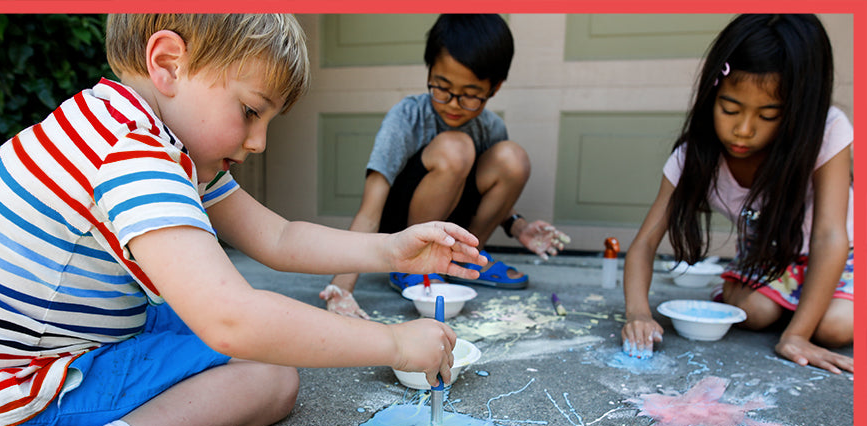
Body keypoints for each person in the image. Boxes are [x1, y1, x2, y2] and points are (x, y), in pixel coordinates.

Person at [0, 14, 486, 426]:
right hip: (15, 390)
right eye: (251, 111)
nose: (258, 141)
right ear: (168, 63)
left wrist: (393, 251)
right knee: (269, 374)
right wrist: (395, 341)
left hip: (19, 348)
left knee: (251, 322)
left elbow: (277, 237)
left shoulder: (124, 125)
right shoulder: (134, 152)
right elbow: (230, 319)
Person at [621, 14, 853, 374]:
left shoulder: (827, 130)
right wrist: (638, 314)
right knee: (753, 313)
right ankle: (791, 304)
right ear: (711, 95)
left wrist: (797, 335)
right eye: (730, 109)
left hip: (842, 255)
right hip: (771, 257)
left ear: (797, 112)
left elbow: (830, 235)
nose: (743, 130)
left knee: (833, 327)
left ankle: (805, 313)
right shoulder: (694, 157)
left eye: (768, 115)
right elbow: (644, 244)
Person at [321, 14, 570, 320]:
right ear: (430, 71)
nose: (453, 104)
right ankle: (412, 263)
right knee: (456, 148)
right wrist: (341, 286)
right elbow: (370, 212)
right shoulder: (406, 118)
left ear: (494, 87)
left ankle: (463, 259)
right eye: (441, 87)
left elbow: (485, 195)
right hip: (404, 227)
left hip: (453, 222)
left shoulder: (490, 128)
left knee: (512, 158)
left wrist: (518, 227)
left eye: (469, 95)